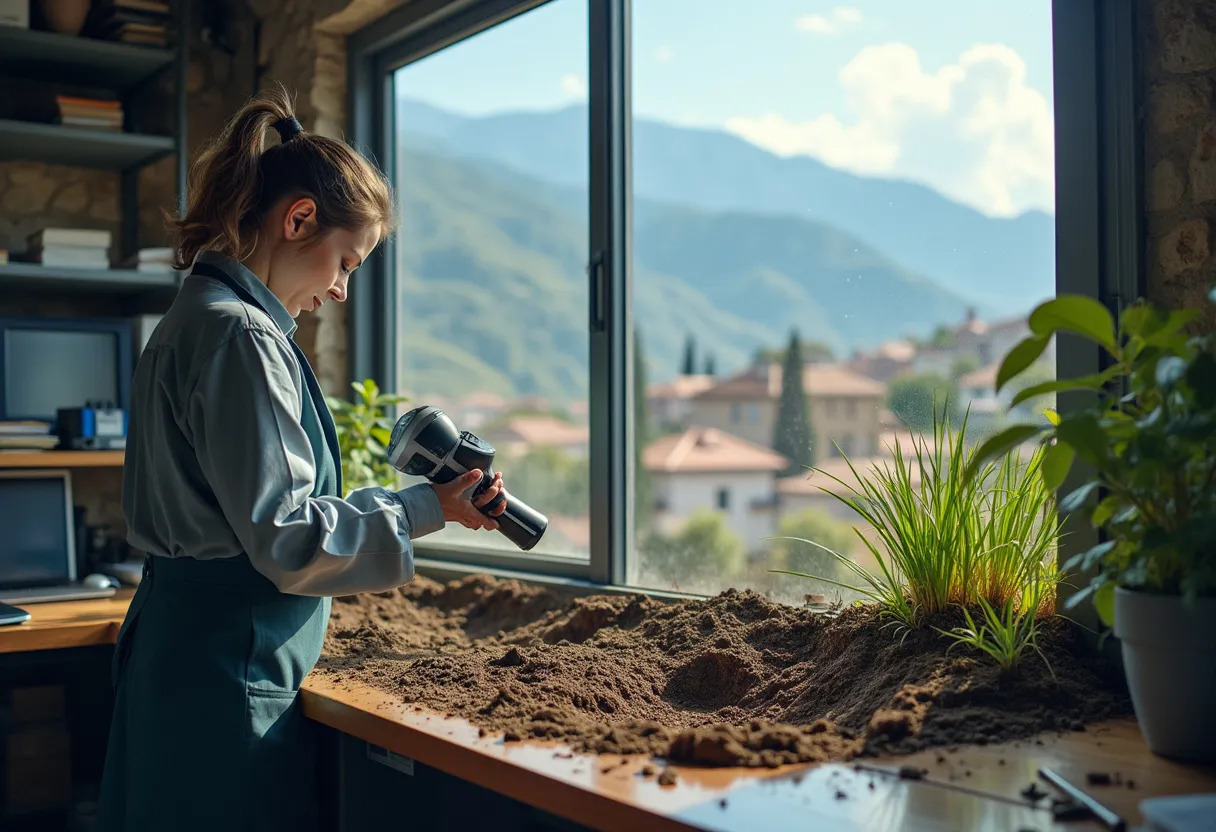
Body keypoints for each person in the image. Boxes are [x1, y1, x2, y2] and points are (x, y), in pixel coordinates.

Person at [96, 85, 506, 832]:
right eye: (346, 260)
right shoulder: (241, 337)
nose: (342, 289)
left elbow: (259, 510)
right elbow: (287, 536)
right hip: (227, 669)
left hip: (183, 656)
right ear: (298, 220)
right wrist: (424, 508)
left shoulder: (195, 316)